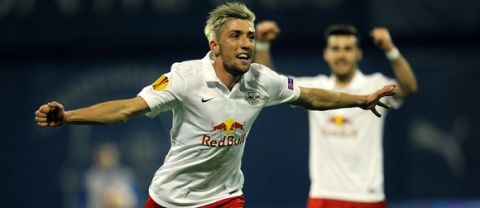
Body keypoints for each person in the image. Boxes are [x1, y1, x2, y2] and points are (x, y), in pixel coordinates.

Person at [35, 3, 396, 208]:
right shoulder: (185, 78)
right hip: (169, 199)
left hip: (225, 198)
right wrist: (68, 116)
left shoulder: (261, 80)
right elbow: (126, 109)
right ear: (214, 45)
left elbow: (311, 96)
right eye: (235, 36)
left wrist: (361, 100)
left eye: (250, 37)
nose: (246, 44)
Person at [255, 21, 417, 208]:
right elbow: (272, 85)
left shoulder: (376, 86)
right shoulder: (316, 89)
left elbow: (409, 87)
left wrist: (390, 49)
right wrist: (262, 45)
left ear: (358, 54)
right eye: (336, 48)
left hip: (367, 198)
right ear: (326, 53)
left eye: (348, 49)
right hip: (324, 196)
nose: (341, 55)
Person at [80, 143, 140, 208]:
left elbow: (136, 201)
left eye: (109, 156)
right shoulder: (90, 177)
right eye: (104, 156)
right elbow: (83, 202)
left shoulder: (126, 175)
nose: (106, 159)